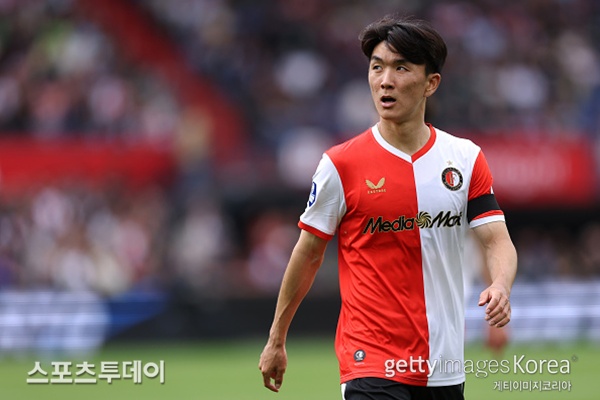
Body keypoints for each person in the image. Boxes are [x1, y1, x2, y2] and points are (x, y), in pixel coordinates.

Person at [259, 14, 517, 400]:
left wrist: (500, 286)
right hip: (370, 362)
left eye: (401, 68)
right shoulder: (340, 165)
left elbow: (496, 240)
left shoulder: (465, 159)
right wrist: (276, 338)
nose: (385, 80)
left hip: (444, 366)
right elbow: (308, 253)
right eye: (377, 67)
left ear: (431, 83)